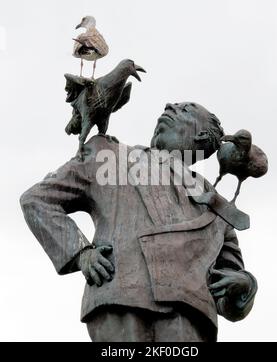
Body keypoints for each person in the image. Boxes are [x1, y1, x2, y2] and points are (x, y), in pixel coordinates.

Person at [20, 102, 257, 342]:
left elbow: (230, 286)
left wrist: (244, 284)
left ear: (201, 136)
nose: (169, 106)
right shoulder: (108, 155)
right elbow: (37, 200)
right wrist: (80, 252)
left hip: (190, 311)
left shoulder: (220, 209)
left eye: (184, 110)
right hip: (122, 294)